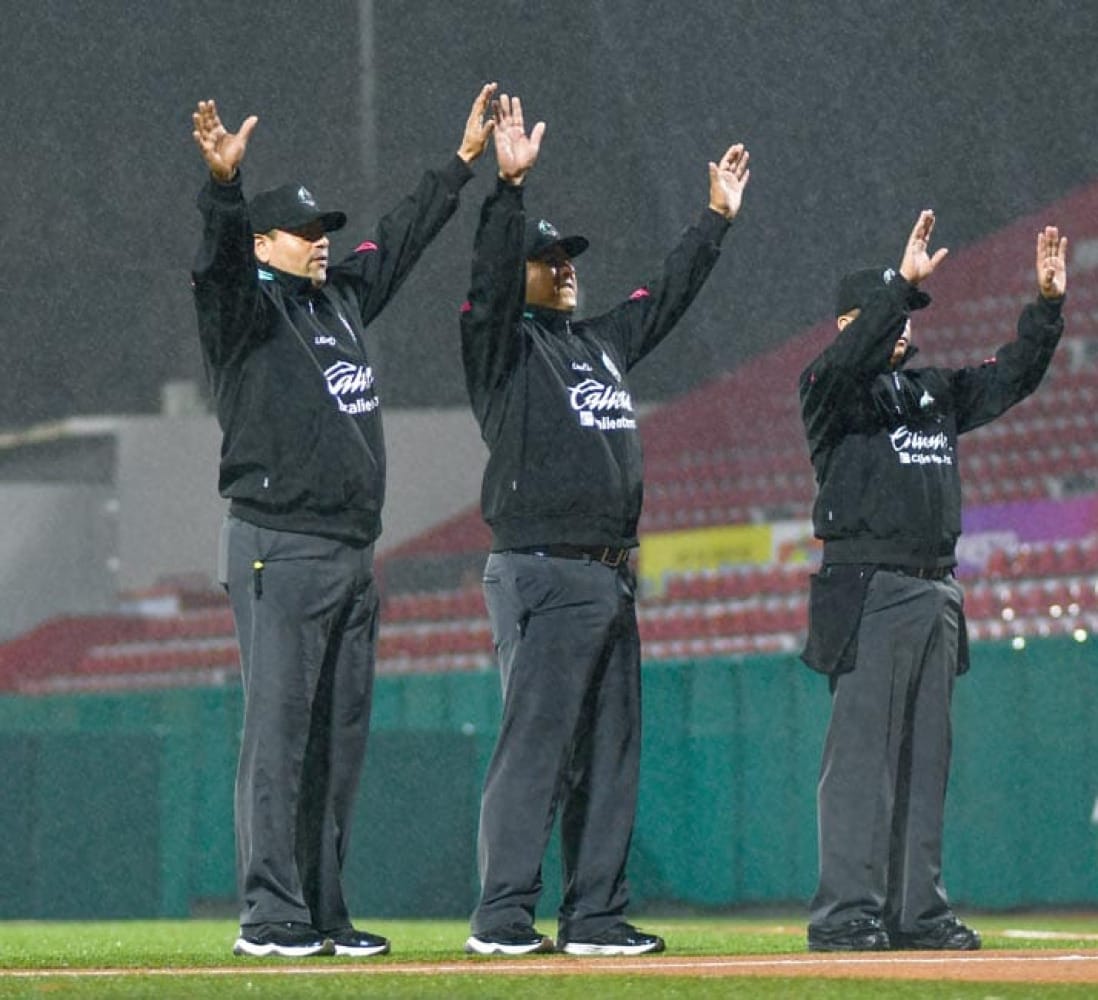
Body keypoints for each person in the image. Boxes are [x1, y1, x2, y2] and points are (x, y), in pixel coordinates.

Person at [189, 83, 497, 959]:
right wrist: (222, 189)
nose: (321, 244)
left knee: (335, 749)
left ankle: (321, 913)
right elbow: (214, 267)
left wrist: (461, 165)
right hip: (277, 545)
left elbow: (397, 237)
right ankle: (268, 918)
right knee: (279, 740)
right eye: (304, 233)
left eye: (325, 232)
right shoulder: (244, 310)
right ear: (262, 244)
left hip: (354, 555)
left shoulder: (338, 299)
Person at [459, 92, 751, 957]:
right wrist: (506, 195)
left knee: (611, 758)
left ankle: (593, 917)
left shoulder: (598, 343)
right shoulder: (501, 348)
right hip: (543, 569)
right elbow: (484, 278)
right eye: (548, 259)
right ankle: (503, 917)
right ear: (519, 270)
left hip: (612, 573)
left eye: (568, 257)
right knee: (536, 752)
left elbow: (663, 296)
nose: (565, 267)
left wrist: (713, 224)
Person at [799, 210, 1067, 952]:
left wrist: (1045, 310)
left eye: (904, 316)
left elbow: (1012, 376)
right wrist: (900, 287)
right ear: (852, 323)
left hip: (937, 590)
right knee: (861, 765)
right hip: (870, 585)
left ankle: (915, 912)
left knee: (924, 763)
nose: (898, 328)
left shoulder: (934, 393)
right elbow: (841, 363)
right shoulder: (830, 393)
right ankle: (846, 912)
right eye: (881, 315)